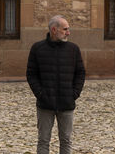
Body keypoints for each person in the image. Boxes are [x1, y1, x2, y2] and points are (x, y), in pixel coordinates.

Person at [26, 15, 86, 154]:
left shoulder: (73, 49)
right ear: (54, 30)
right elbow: (31, 74)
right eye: (65, 29)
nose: (68, 32)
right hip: (45, 105)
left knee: (66, 140)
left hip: (67, 103)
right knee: (43, 140)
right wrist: (41, 94)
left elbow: (80, 73)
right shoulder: (37, 48)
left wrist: (74, 94)